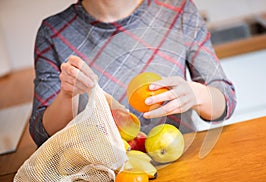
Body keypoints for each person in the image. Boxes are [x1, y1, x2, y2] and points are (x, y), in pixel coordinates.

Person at [30, 0, 236, 147]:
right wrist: (68, 96)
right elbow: (41, 134)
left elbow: (225, 99)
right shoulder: (53, 32)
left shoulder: (178, 10)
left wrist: (197, 94)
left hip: (179, 164)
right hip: (103, 177)